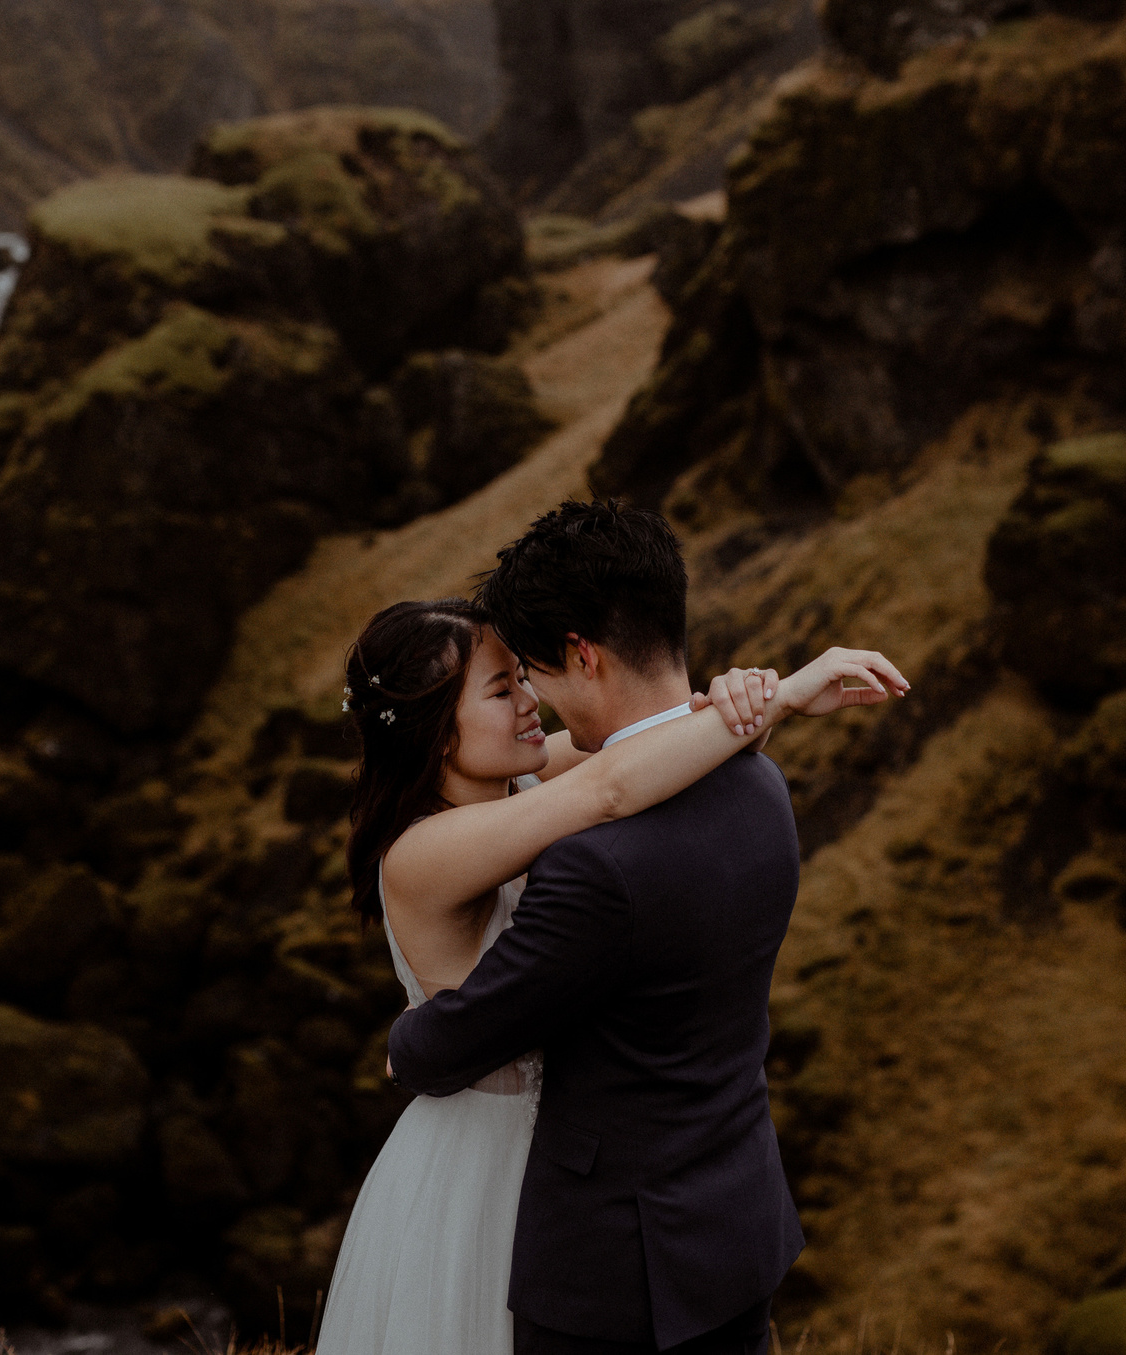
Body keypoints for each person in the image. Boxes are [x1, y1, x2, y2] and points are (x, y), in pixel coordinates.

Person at [342, 499, 903, 1355]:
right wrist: (774, 697)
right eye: (504, 686)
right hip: (490, 1166)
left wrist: (758, 696)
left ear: (582, 655)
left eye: (528, 674)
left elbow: (649, 744)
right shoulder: (429, 851)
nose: (532, 702)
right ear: (435, 736)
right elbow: (612, 781)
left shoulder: (525, 787)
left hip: (590, 1186)